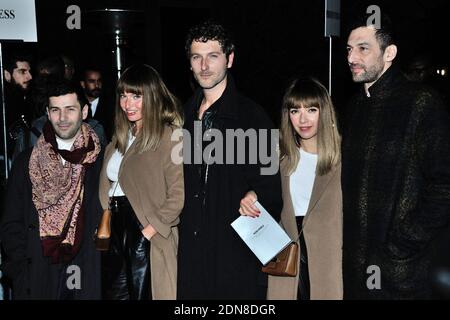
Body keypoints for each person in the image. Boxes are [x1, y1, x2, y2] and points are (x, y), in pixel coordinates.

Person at [342, 12, 450, 299]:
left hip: (401, 276)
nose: (352, 57)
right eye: (349, 49)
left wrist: (402, 242)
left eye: (363, 48)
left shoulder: (422, 103)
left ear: (389, 53)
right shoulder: (353, 109)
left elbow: (443, 187)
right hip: (355, 272)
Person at [177, 20, 282, 300]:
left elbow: (272, 184)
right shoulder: (182, 117)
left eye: (213, 56)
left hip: (234, 256)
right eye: (196, 57)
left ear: (230, 59)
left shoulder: (253, 117)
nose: (204, 65)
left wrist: (255, 193)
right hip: (190, 254)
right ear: (189, 63)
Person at [240, 77, 343, 300]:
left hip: (328, 264)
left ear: (324, 112)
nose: (303, 119)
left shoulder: (342, 159)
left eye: (311, 109)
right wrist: (252, 195)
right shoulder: (279, 157)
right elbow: (265, 192)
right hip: (286, 264)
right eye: (295, 111)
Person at [0, 79, 103, 299]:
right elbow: (11, 222)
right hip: (38, 272)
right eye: (56, 110)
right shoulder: (26, 163)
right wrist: (22, 271)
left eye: (70, 109)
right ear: (47, 112)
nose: (62, 118)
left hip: (85, 271)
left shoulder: (101, 163)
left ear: (84, 111)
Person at [98, 64, 184, 300]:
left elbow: (177, 196)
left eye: (136, 96)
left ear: (153, 96)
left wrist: (145, 233)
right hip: (114, 230)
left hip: (146, 231)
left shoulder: (170, 136)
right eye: (124, 96)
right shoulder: (120, 138)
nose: (128, 104)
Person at [2, 52, 33, 160]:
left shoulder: (27, 99)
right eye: (22, 72)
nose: (29, 77)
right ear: (7, 75)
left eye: (29, 71)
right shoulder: (4, 105)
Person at [80, 67, 114, 141]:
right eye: (92, 81)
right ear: (83, 84)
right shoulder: (78, 105)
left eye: (99, 81)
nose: (97, 85)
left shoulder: (111, 105)